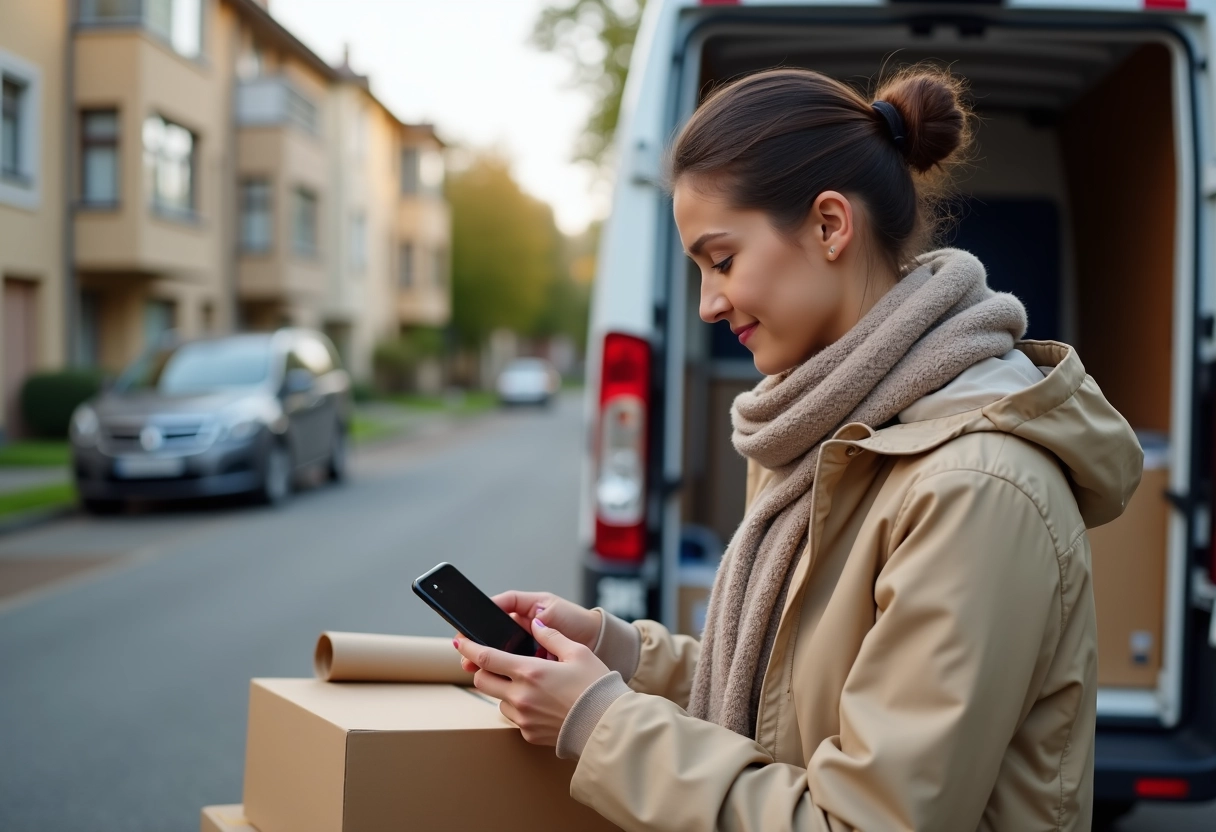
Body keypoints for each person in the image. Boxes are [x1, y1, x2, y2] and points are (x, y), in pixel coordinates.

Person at [453, 66, 1143, 831]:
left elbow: (863, 821)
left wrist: (598, 723)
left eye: (722, 261)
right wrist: (617, 655)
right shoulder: (825, 434)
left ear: (828, 226)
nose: (710, 304)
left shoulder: (975, 486)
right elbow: (782, 704)